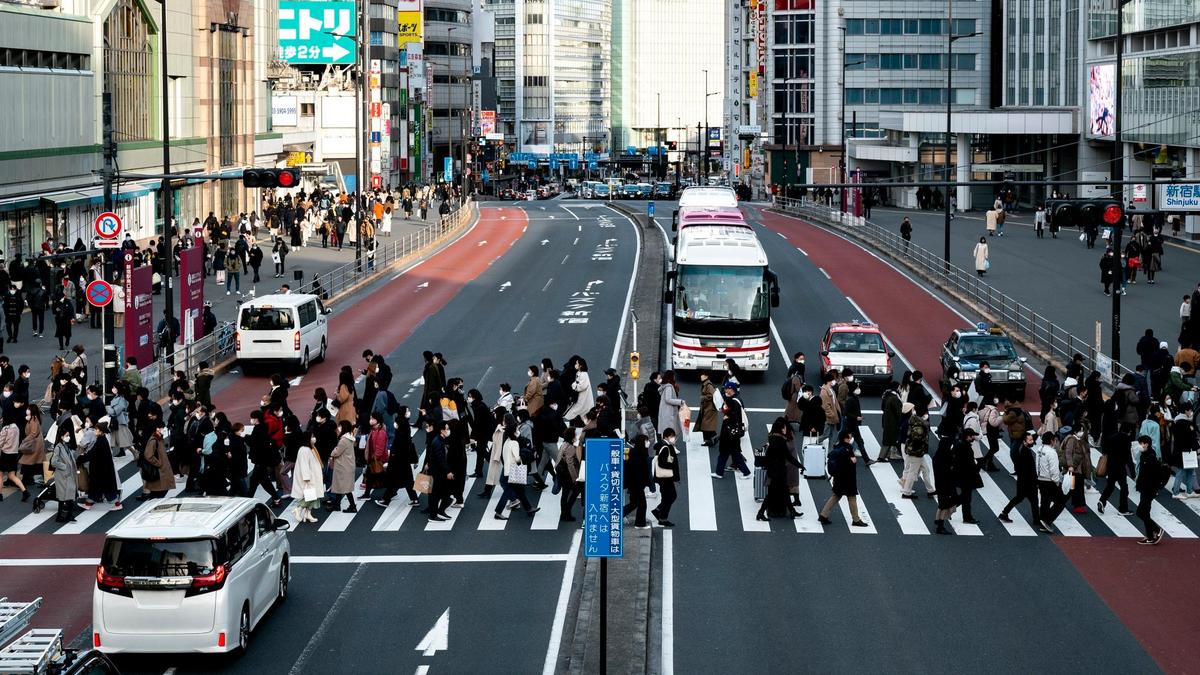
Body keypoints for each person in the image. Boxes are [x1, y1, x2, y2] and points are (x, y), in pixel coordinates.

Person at [817, 431, 868, 527]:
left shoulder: (837, 447)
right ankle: (856, 519)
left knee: (836, 496)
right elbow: (846, 464)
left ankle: (823, 515)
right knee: (852, 497)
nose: (851, 436)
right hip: (847, 478)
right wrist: (852, 461)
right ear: (846, 438)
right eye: (849, 435)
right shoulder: (847, 449)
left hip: (839, 478)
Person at [757, 418, 803, 520]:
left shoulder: (772, 439)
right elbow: (789, 457)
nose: (785, 429)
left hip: (773, 471)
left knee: (782, 492)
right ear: (780, 429)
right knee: (780, 493)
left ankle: (790, 511)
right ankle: (761, 513)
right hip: (779, 471)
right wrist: (800, 466)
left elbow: (768, 456)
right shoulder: (781, 441)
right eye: (784, 428)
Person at [493, 422, 537, 519]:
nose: (518, 432)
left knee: (520, 491)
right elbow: (517, 458)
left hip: (508, 470)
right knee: (508, 492)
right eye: (516, 430)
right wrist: (523, 462)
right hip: (513, 471)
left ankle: (529, 508)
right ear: (513, 432)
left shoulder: (507, 442)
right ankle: (498, 512)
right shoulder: (514, 443)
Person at [998, 431, 1040, 524]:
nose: (1032, 441)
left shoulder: (1022, 449)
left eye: (1032, 439)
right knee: (1033, 500)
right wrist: (1035, 481)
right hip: (1028, 481)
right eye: (1030, 440)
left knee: (1020, 498)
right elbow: (1029, 470)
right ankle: (1036, 520)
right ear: (1024, 442)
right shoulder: (1026, 453)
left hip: (1022, 480)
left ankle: (1004, 513)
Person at [712, 382, 751, 479]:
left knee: (732, 453)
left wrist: (727, 416)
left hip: (730, 433)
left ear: (731, 389)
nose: (725, 390)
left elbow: (735, 415)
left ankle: (746, 473)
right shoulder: (735, 399)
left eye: (726, 389)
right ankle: (719, 472)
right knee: (727, 453)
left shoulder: (734, 401)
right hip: (731, 433)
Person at [1134, 435, 1166, 545]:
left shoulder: (1150, 458)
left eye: (1140, 443)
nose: (1139, 446)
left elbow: (1153, 476)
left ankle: (1155, 531)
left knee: (1141, 512)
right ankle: (1151, 534)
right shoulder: (1145, 455)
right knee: (1144, 512)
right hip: (1145, 489)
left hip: (1149, 490)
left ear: (1146, 444)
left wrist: (1152, 489)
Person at [81, 421, 120, 510]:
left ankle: (117, 504)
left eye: (96, 429)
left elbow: (93, 453)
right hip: (103, 469)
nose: (95, 431)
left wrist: (81, 458)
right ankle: (88, 504)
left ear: (101, 431)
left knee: (104, 489)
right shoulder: (102, 439)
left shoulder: (101, 441)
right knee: (97, 488)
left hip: (101, 470)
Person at [900, 412, 936, 499]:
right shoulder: (919, 429)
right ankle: (906, 492)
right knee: (912, 473)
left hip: (914, 453)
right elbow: (918, 441)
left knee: (926, 470)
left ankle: (930, 490)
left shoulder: (913, 425)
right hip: (916, 454)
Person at [327, 421, 358, 513]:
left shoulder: (343, 440)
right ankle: (337, 505)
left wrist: (333, 451)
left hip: (343, 466)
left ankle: (352, 506)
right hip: (346, 465)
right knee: (340, 486)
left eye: (340, 426)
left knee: (345, 488)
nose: (338, 428)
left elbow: (336, 452)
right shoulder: (349, 438)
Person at [651, 428, 680, 526]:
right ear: (666, 437)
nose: (673, 438)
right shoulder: (666, 447)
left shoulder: (662, 445)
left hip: (663, 478)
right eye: (672, 436)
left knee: (667, 497)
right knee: (671, 496)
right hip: (665, 477)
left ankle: (660, 513)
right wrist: (672, 467)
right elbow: (663, 463)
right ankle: (662, 517)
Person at [138, 422, 175, 500]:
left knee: (160, 491)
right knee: (159, 492)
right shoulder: (154, 440)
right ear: (157, 429)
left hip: (162, 470)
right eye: (162, 428)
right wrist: (158, 464)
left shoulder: (158, 438)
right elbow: (148, 455)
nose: (163, 430)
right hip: (160, 471)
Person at [49, 425, 78, 522]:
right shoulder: (58, 447)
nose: (68, 437)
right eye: (66, 435)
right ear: (61, 437)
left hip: (67, 475)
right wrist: (64, 466)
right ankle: (67, 516)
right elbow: (53, 462)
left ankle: (62, 516)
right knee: (66, 496)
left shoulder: (65, 446)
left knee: (65, 496)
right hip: (63, 475)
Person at [290, 442, 324, 524]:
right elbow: (304, 465)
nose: (314, 438)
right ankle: (298, 509)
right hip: (310, 478)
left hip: (314, 476)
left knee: (314, 496)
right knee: (312, 496)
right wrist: (307, 478)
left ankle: (308, 514)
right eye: (312, 436)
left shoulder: (311, 448)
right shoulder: (304, 450)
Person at [623, 434, 652, 529]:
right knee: (642, 504)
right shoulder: (638, 455)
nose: (648, 443)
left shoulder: (637, 452)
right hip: (636, 484)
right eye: (646, 441)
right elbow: (638, 472)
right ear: (642, 443)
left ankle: (615, 516)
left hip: (635, 484)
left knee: (634, 503)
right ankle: (639, 524)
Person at [657, 370, 684, 439]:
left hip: (666, 412)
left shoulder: (666, 386)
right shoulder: (668, 387)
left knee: (668, 432)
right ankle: (670, 447)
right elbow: (668, 399)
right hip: (668, 413)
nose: (675, 377)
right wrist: (680, 402)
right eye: (674, 376)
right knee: (670, 432)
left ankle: (671, 446)